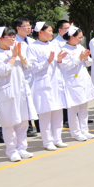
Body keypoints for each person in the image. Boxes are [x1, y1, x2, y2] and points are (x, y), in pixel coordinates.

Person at [0, 27, 37, 161]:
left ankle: (22, 148)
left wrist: (19, 55)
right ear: (0, 38)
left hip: (21, 91)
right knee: (9, 123)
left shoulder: (18, 51)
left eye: (14, 36)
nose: (13, 39)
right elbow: (4, 71)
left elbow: (28, 67)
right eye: (10, 36)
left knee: (23, 122)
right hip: (7, 93)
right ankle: (11, 150)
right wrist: (13, 56)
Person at [28, 22, 68, 151]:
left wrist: (60, 60)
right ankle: (47, 141)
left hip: (56, 83)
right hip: (43, 84)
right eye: (49, 31)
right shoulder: (32, 47)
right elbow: (33, 68)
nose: (52, 33)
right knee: (45, 114)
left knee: (57, 112)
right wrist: (48, 61)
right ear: (40, 32)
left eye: (52, 31)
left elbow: (60, 66)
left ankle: (58, 139)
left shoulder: (54, 46)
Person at [59, 25, 94, 141]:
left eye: (81, 38)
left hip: (83, 80)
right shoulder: (64, 49)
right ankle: (76, 132)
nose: (81, 40)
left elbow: (89, 63)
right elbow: (66, 66)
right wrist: (80, 57)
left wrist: (86, 58)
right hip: (72, 82)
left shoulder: (79, 47)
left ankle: (85, 130)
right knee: (74, 109)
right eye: (79, 37)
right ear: (71, 36)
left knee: (84, 107)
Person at [13, 17, 37, 138]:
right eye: (26, 26)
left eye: (29, 25)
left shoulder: (32, 41)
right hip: (22, 75)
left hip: (34, 75)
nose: (29, 27)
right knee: (23, 102)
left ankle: (34, 125)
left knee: (33, 100)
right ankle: (26, 128)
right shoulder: (14, 42)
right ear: (18, 28)